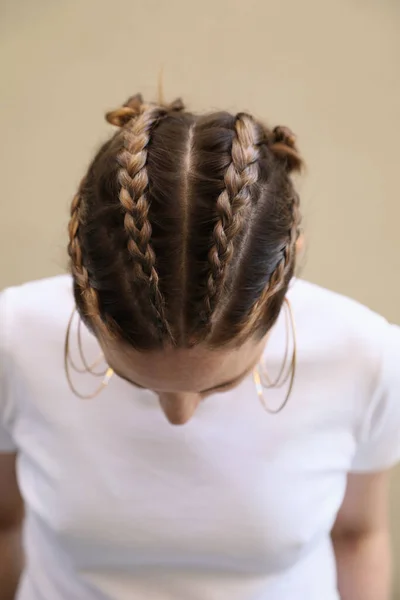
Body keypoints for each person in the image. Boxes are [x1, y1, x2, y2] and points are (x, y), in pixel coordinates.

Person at [0, 94, 399, 600]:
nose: (179, 417)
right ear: (85, 297)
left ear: (284, 278)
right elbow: (3, 524)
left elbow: (357, 535)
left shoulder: (368, 357)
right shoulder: (12, 338)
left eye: (222, 383)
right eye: (132, 379)